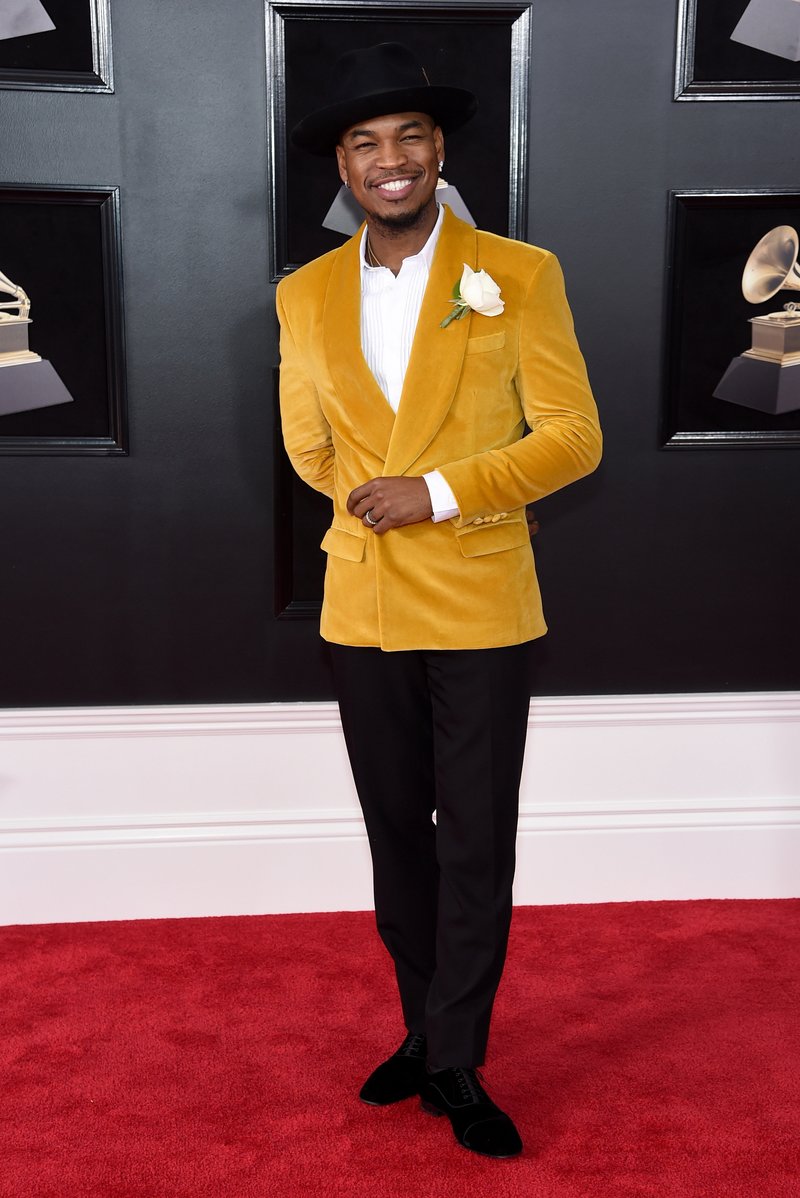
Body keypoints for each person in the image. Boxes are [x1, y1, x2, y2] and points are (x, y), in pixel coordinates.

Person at [277, 42, 601, 1159]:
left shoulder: (519, 271)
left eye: (408, 136)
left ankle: (455, 1056)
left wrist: (441, 490)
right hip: (360, 606)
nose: (389, 159)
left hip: (476, 595)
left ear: (440, 149)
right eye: (365, 145)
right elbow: (307, 441)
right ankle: (422, 1027)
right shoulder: (302, 292)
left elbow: (573, 437)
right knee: (394, 840)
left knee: (472, 840)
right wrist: (367, 503)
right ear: (342, 166)